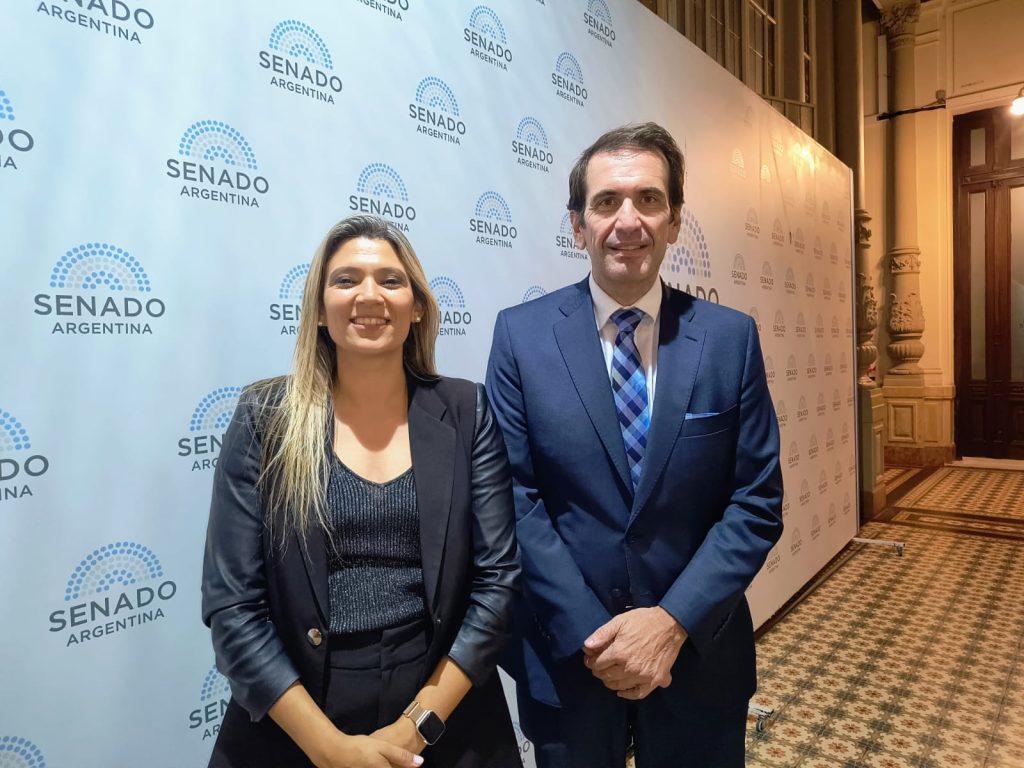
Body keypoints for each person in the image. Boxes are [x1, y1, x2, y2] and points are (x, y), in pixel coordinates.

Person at [485, 122, 784, 767]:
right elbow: (512, 497)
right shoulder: (520, 337)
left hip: (697, 659)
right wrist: (594, 637)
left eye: (649, 199)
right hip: (570, 660)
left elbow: (756, 502)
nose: (628, 220)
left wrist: (670, 623)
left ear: (674, 220)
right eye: (606, 202)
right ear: (577, 225)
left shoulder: (729, 340)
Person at [202, 214, 521, 768]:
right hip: (298, 714)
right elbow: (233, 606)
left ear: (417, 306)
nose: (369, 295)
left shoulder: (467, 411)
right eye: (346, 280)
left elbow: (497, 581)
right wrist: (330, 751)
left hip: (441, 703)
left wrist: (415, 729)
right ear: (318, 308)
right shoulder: (264, 418)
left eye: (391, 280)